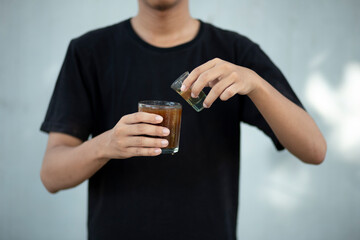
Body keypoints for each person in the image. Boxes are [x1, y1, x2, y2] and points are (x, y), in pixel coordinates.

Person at [40, 0, 326, 239]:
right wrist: (106, 144)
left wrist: (256, 83)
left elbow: (314, 150)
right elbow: (51, 175)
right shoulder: (89, 52)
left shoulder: (235, 53)